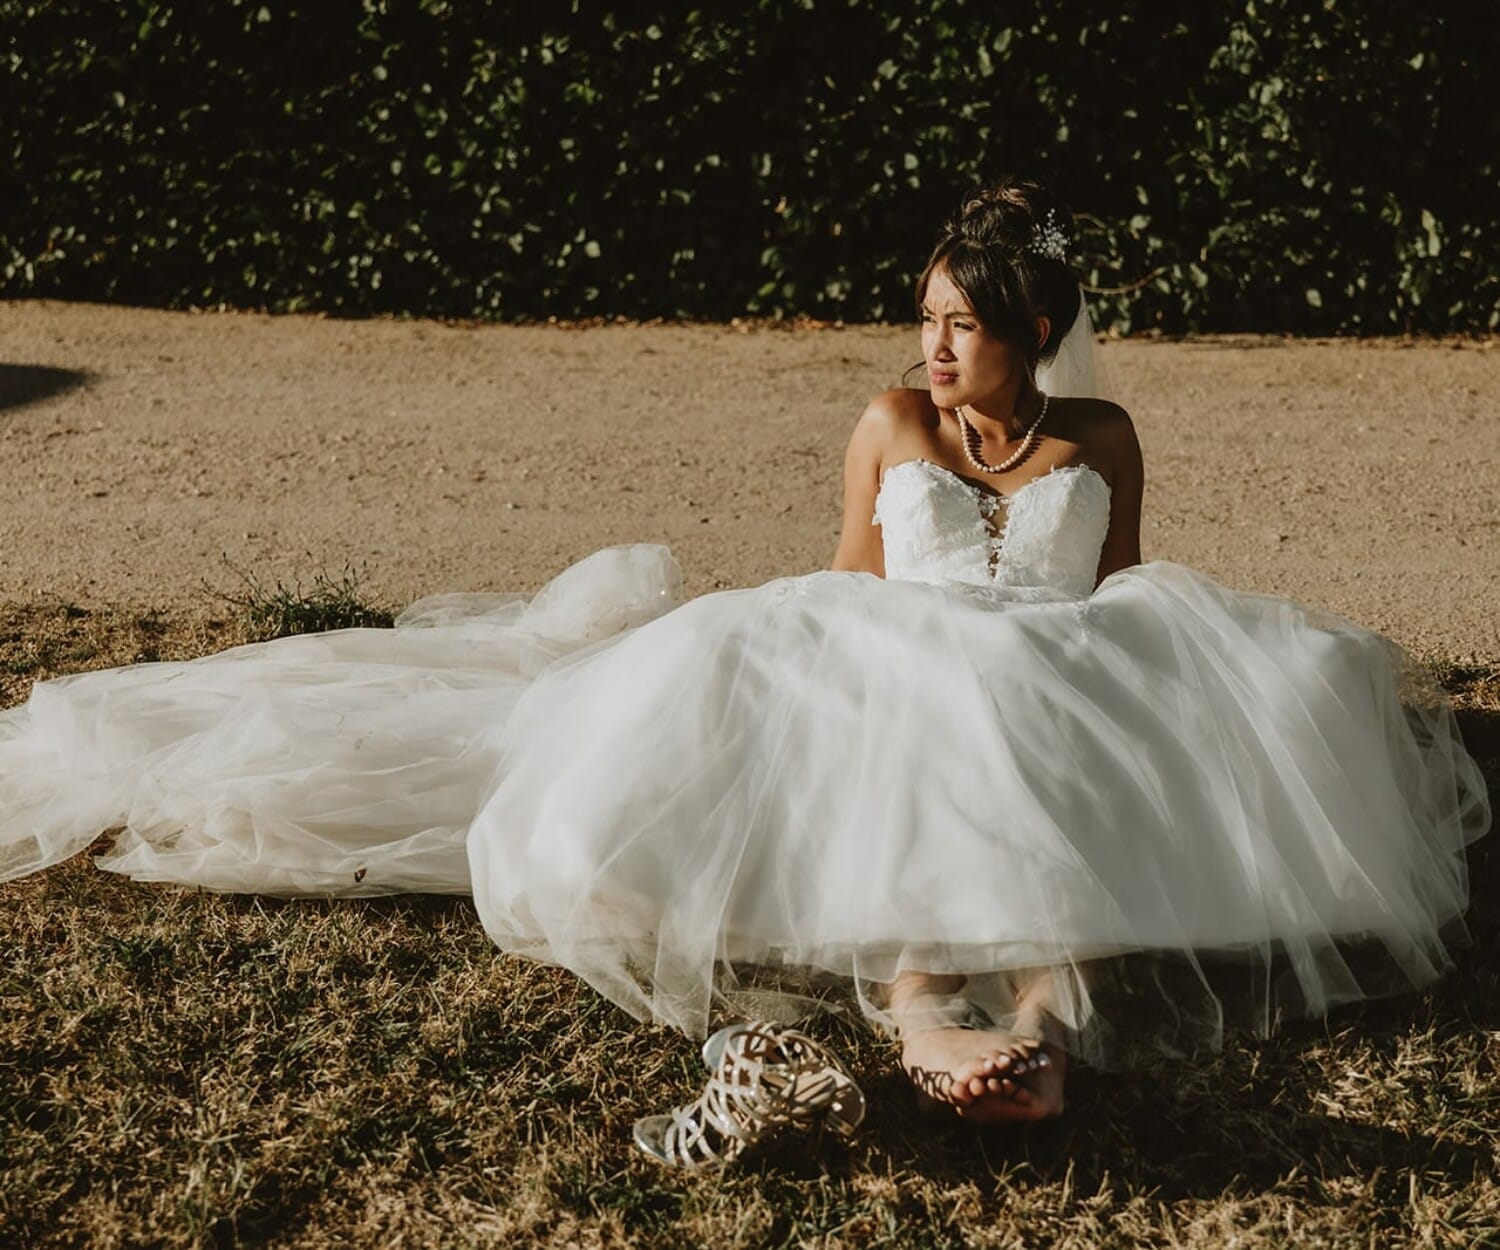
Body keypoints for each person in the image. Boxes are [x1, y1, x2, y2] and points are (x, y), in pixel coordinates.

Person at [0, 180, 1489, 1156]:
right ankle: (921, 997)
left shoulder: (1100, 435)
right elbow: (848, 572)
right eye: (927, 318)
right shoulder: (892, 421)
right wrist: (831, 661)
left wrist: (1143, 689)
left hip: (1064, 650)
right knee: (924, 721)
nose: (935, 344)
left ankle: (1041, 1023)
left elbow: (1122, 587)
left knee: (1079, 729)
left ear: (1036, 330)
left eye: (963, 324)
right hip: (902, 644)